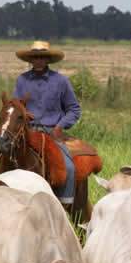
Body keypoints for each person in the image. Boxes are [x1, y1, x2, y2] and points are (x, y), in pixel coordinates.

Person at [13, 40, 81, 208]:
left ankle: (66, 205)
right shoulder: (22, 80)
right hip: (27, 132)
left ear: (48, 59)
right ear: (30, 59)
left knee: (69, 167)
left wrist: (60, 126)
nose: (38, 60)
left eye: (42, 57)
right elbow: (15, 107)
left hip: (52, 132)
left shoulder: (61, 81)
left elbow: (74, 109)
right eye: (35, 57)